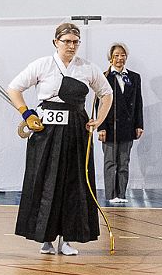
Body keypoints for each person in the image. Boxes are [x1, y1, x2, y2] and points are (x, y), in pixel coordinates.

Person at [7, 22, 113, 255]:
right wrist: (27, 113)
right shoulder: (42, 64)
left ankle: (67, 240)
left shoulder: (87, 68)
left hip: (76, 129)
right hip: (46, 131)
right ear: (56, 42)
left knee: (73, 183)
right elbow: (14, 88)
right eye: (66, 41)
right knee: (44, 182)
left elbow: (106, 93)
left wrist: (99, 120)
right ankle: (44, 238)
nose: (71, 46)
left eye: (75, 42)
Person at [98, 42, 144, 204]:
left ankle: (122, 194)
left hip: (127, 126)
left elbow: (138, 102)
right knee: (110, 162)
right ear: (110, 58)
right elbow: (100, 104)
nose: (119, 58)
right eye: (116, 55)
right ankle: (111, 195)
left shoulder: (134, 77)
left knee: (124, 162)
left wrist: (139, 125)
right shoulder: (103, 77)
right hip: (110, 127)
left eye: (122, 55)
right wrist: (101, 126)